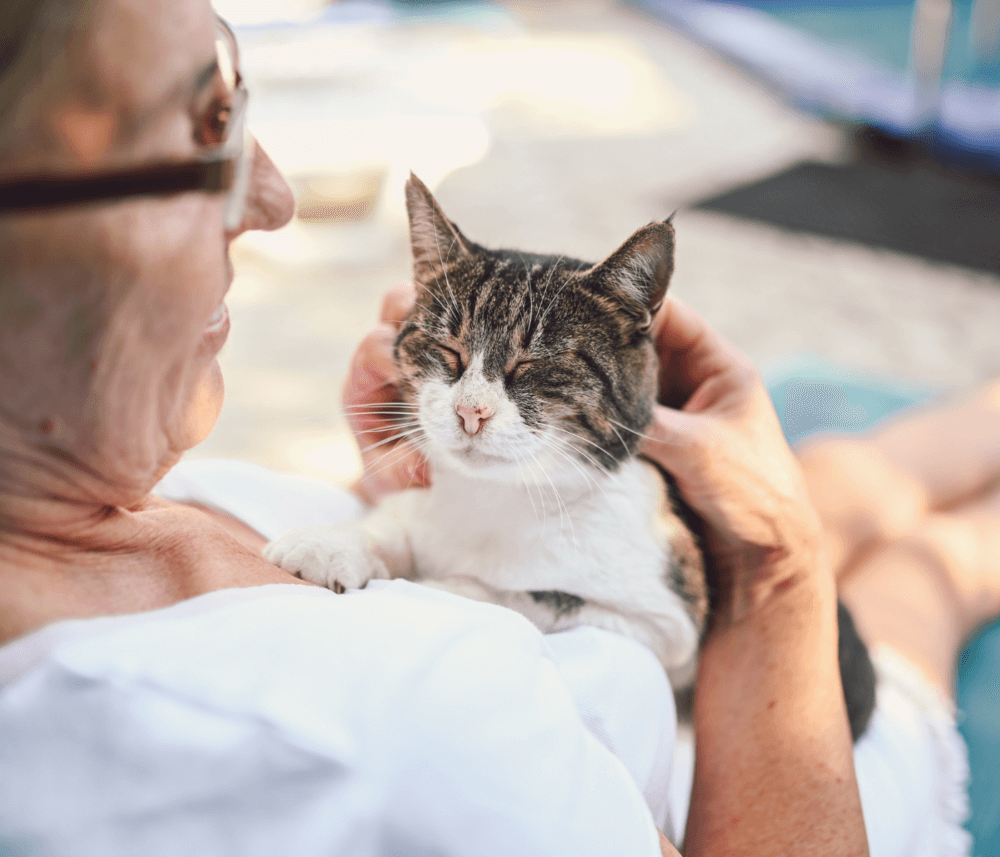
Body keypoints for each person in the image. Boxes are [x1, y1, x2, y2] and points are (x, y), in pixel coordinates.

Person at [0, 0, 993, 854]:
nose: (275, 195)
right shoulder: (383, 744)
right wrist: (779, 562)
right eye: (207, 126)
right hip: (795, 738)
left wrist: (392, 492)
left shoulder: (90, 491)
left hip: (602, 554)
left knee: (839, 472)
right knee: (917, 572)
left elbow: (407, 575)